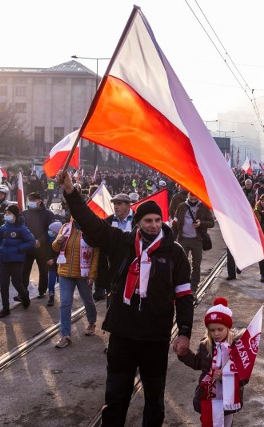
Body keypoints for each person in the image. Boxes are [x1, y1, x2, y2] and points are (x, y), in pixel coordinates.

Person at [56, 170, 194, 426]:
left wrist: (184, 331)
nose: (153, 225)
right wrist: (71, 193)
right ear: (138, 222)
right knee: (116, 395)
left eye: (157, 220)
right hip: (123, 332)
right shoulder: (121, 242)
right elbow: (90, 223)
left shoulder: (174, 253)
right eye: (148, 220)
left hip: (156, 336)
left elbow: (184, 295)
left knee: (154, 398)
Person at [179, 297, 248, 426]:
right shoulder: (206, 345)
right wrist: (184, 354)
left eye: (220, 329)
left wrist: (224, 376)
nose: (216, 333)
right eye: (212, 330)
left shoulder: (237, 347)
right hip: (208, 396)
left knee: (225, 423)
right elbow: (197, 363)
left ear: (228, 327)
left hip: (227, 398)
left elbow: (244, 377)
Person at [51, 218, 100, 348]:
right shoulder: (66, 227)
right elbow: (55, 247)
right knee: (65, 304)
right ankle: (65, 335)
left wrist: (92, 274)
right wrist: (58, 241)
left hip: (83, 274)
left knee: (88, 300)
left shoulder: (91, 230)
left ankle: (92, 321)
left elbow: (95, 254)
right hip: (65, 273)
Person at [91, 193, 135, 302]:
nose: (115, 206)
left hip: (133, 269)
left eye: (119, 203)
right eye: (114, 203)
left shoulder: (138, 221)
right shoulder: (108, 222)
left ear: (128, 205)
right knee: (113, 304)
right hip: (112, 271)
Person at [0, 205, 35, 318]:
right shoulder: (3, 227)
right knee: (3, 284)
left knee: (16, 282)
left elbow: (31, 242)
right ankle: (5, 308)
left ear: (15, 215)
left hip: (17, 261)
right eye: (6, 213)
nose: (6, 215)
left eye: (9, 213)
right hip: (4, 260)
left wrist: (19, 248)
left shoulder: (22, 229)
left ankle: (24, 295)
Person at [173, 192, 215, 293]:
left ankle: (193, 290)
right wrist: (171, 239)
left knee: (196, 265)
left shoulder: (203, 207)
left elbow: (212, 223)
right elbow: (175, 223)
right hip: (183, 239)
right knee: (181, 264)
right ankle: (180, 288)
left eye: (194, 200)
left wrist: (201, 223)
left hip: (197, 240)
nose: (192, 201)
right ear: (187, 197)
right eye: (191, 199)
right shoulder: (181, 206)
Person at [20, 192, 55, 299]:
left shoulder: (48, 214)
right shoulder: (24, 214)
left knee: (43, 270)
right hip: (28, 246)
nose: (31, 202)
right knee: (25, 271)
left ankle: (42, 290)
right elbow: (22, 229)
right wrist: (30, 241)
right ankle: (23, 292)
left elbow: (51, 230)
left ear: (39, 201)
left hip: (42, 247)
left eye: (33, 200)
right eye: (30, 200)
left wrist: (40, 240)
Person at [45, 221, 63, 307]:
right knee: (51, 282)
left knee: (62, 282)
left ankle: (64, 297)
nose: (50, 232)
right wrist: (47, 259)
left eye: (52, 231)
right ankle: (51, 298)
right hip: (52, 266)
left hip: (60, 265)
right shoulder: (49, 240)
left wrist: (54, 260)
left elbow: (63, 253)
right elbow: (46, 252)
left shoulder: (63, 241)